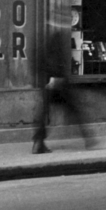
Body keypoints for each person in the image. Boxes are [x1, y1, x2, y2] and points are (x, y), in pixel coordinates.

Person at [31, 18, 94, 154]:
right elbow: (54, 60)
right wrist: (56, 76)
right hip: (57, 82)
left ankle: (38, 142)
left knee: (46, 112)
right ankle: (89, 138)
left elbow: (38, 61)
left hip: (49, 82)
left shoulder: (43, 37)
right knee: (75, 110)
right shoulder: (56, 37)